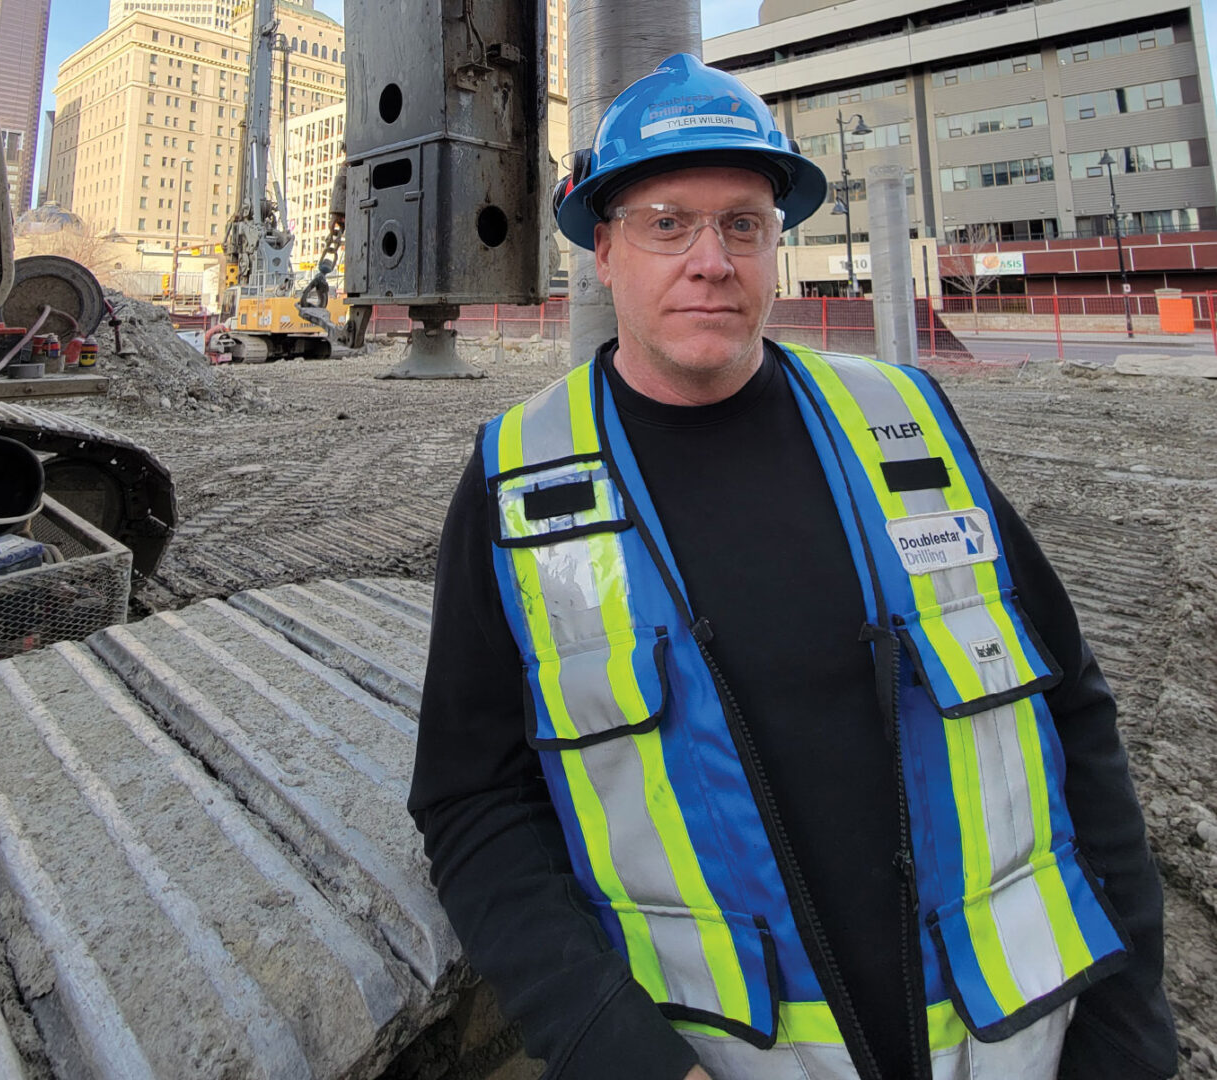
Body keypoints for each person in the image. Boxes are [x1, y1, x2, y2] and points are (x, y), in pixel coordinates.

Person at [408, 53, 1177, 1080]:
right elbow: (473, 802)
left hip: (1018, 1046)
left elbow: (1070, 706)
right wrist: (621, 1056)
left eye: (743, 224)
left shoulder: (906, 424)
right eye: (667, 223)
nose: (711, 260)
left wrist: (1127, 1028)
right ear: (604, 249)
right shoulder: (519, 480)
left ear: (776, 244)